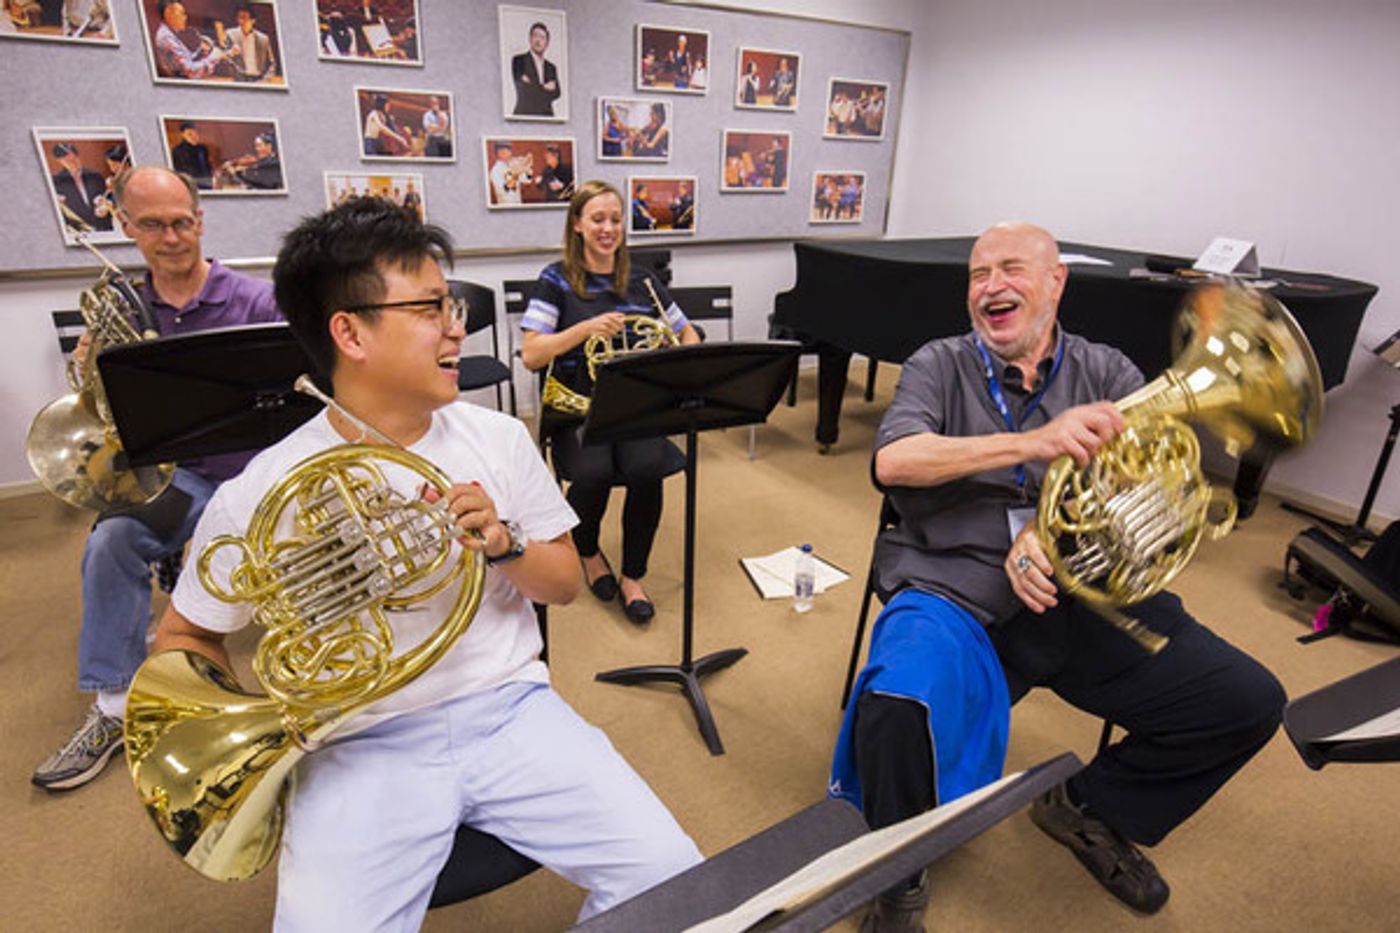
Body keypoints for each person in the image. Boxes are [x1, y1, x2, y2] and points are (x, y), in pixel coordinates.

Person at [150, 196, 702, 928]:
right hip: (356, 739)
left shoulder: (499, 439)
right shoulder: (261, 491)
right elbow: (184, 635)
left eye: (452, 304)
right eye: (431, 308)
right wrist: (253, 725)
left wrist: (504, 543)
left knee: (681, 888)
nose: (457, 327)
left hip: (509, 709)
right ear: (349, 332)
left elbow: (566, 584)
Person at [830, 222, 1285, 931]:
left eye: (1011, 268)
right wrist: (1032, 443)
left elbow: (1150, 489)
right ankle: (900, 877)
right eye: (978, 275)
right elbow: (896, 462)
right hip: (958, 588)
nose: (991, 287)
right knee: (893, 705)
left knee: (1248, 701)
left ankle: (1090, 805)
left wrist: (1048, 532)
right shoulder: (938, 363)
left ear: (1055, 282)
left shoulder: (1108, 372)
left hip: (1079, 594)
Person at [31, 165, 281, 792]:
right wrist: (93, 368)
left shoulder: (255, 300)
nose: (171, 238)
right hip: (181, 475)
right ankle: (114, 705)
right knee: (110, 541)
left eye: (181, 222)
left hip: (259, 474)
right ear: (127, 228)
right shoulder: (120, 307)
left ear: (199, 222)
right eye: (152, 225)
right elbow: (101, 410)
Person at [520, 181, 700, 624]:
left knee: (646, 468)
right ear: (578, 225)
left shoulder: (641, 278)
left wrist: (682, 355)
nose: (608, 228)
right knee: (592, 470)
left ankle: (633, 576)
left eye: (615, 220)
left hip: (635, 404)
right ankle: (587, 549)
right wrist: (584, 330)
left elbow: (686, 331)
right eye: (597, 219)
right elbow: (532, 354)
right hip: (578, 405)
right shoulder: (556, 278)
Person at [152, 0, 229, 80]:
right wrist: (214, 57)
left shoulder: (168, 34)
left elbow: (185, 60)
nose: (185, 18)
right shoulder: (166, 38)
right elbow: (190, 72)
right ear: (168, 14)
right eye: (182, 13)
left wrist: (200, 51)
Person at [49, 142, 112, 233]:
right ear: (60, 161)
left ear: (78, 156)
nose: (73, 163)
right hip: (78, 232)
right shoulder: (56, 182)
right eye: (67, 160)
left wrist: (106, 206)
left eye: (74, 158)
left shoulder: (95, 176)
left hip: (103, 228)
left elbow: (110, 198)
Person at [511, 20, 560, 117]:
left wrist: (533, 84)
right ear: (530, 38)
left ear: (547, 43)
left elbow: (556, 93)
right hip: (524, 114)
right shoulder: (519, 60)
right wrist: (544, 87)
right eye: (535, 36)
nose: (538, 40)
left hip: (547, 116)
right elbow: (524, 89)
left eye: (542, 38)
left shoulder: (551, 67)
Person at [226, 1, 276, 81]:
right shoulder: (231, 35)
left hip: (260, 80)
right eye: (239, 17)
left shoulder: (263, 39)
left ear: (253, 21)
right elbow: (223, 57)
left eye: (244, 17)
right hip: (240, 80)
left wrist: (265, 80)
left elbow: (271, 64)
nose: (241, 21)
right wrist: (230, 53)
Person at [169, 121, 213, 189]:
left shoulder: (202, 149)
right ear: (183, 135)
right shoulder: (178, 151)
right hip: (190, 184)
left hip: (207, 182)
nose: (194, 136)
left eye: (195, 133)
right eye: (189, 134)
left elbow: (207, 166)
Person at [488, 141, 523, 206]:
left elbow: (526, 180)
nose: (508, 154)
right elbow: (503, 190)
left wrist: (526, 167)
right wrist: (515, 174)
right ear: (498, 154)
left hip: (518, 202)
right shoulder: (495, 170)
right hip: (505, 205)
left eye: (509, 151)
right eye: (503, 152)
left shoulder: (512, 165)